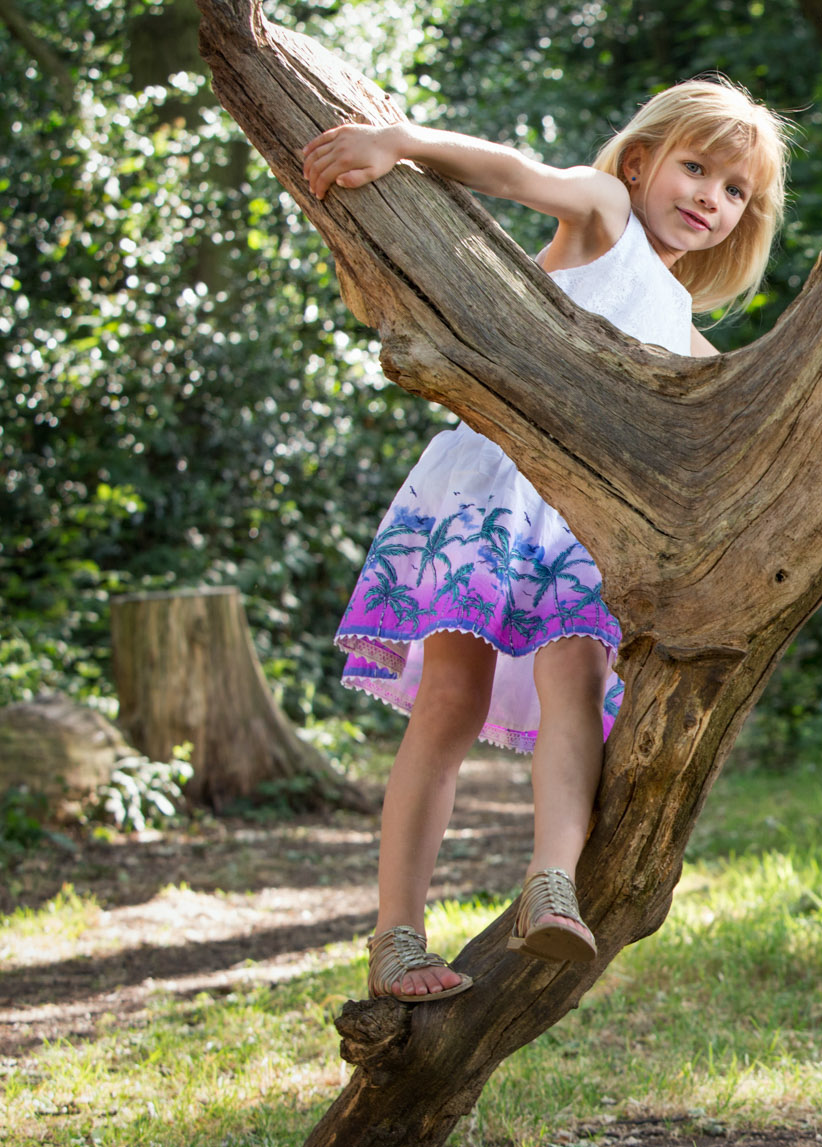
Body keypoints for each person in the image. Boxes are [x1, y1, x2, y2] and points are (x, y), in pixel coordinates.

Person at [306, 78, 789, 1003]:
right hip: (492, 489)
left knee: (578, 687)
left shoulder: (680, 328)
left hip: (586, 520)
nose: (711, 199)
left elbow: (736, 406)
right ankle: (396, 937)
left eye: (736, 192)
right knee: (448, 700)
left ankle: (550, 884)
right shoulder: (606, 216)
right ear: (642, 162)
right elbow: (517, 173)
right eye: (696, 168)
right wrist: (398, 141)